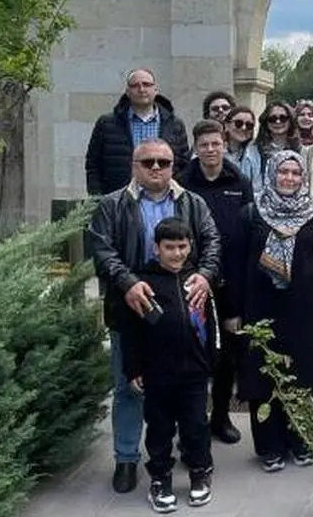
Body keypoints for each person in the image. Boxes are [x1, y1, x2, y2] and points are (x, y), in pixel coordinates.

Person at [88, 138, 220, 495]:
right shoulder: (113, 205)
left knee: (184, 389)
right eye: (148, 162)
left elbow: (212, 242)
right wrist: (128, 283)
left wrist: (205, 275)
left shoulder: (192, 202)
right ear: (135, 166)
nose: (157, 168)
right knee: (130, 384)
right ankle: (127, 458)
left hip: (180, 309)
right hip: (131, 309)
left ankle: (184, 455)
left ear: (173, 165)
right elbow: (102, 249)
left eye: (164, 162)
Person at [231, 152, 313, 472]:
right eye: (283, 172)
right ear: (271, 174)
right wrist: (233, 311)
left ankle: (301, 441)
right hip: (260, 311)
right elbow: (235, 266)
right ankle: (270, 446)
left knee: (304, 376)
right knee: (264, 377)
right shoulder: (251, 214)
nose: (290, 178)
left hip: (304, 313)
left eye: (296, 173)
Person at [118, 218, 218, 513]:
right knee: (159, 427)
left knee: (196, 424)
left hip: (194, 371)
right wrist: (134, 369)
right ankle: (160, 478)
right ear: (156, 248)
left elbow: (211, 324)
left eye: (182, 246)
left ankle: (199, 473)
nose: (177, 253)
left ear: (190, 246)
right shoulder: (143, 283)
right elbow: (130, 333)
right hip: (158, 372)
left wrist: (211, 361)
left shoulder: (198, 281)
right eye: (169, 247)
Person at [176, 120, 255, 445]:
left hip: (230, 281)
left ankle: (220, 417)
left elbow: (248, 233)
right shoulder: (182, 182)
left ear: (224, 144)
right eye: (204, 145)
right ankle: (191, 425)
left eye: (215, 144)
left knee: (227, 357)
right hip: (192, 282)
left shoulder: (239, 181)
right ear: (196, 148)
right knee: (192, 354)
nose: (210, 150)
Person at [86, 68, 191, 197]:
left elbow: (183, 164)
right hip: (118, 200)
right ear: (127, 92)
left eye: (146, 84)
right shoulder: (107, 124)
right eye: (135, 85)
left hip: (163, 198)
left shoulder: (175, 124)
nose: (141, 89)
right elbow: (93, 164)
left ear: (155, 90)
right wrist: (97, 199)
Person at [222, 106, 264, 185]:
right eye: (238, 123)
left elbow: (257, 185)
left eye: (249, 125)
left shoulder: (255, 152)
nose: (244, 128)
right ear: (226, 125)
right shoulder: (214, 149)